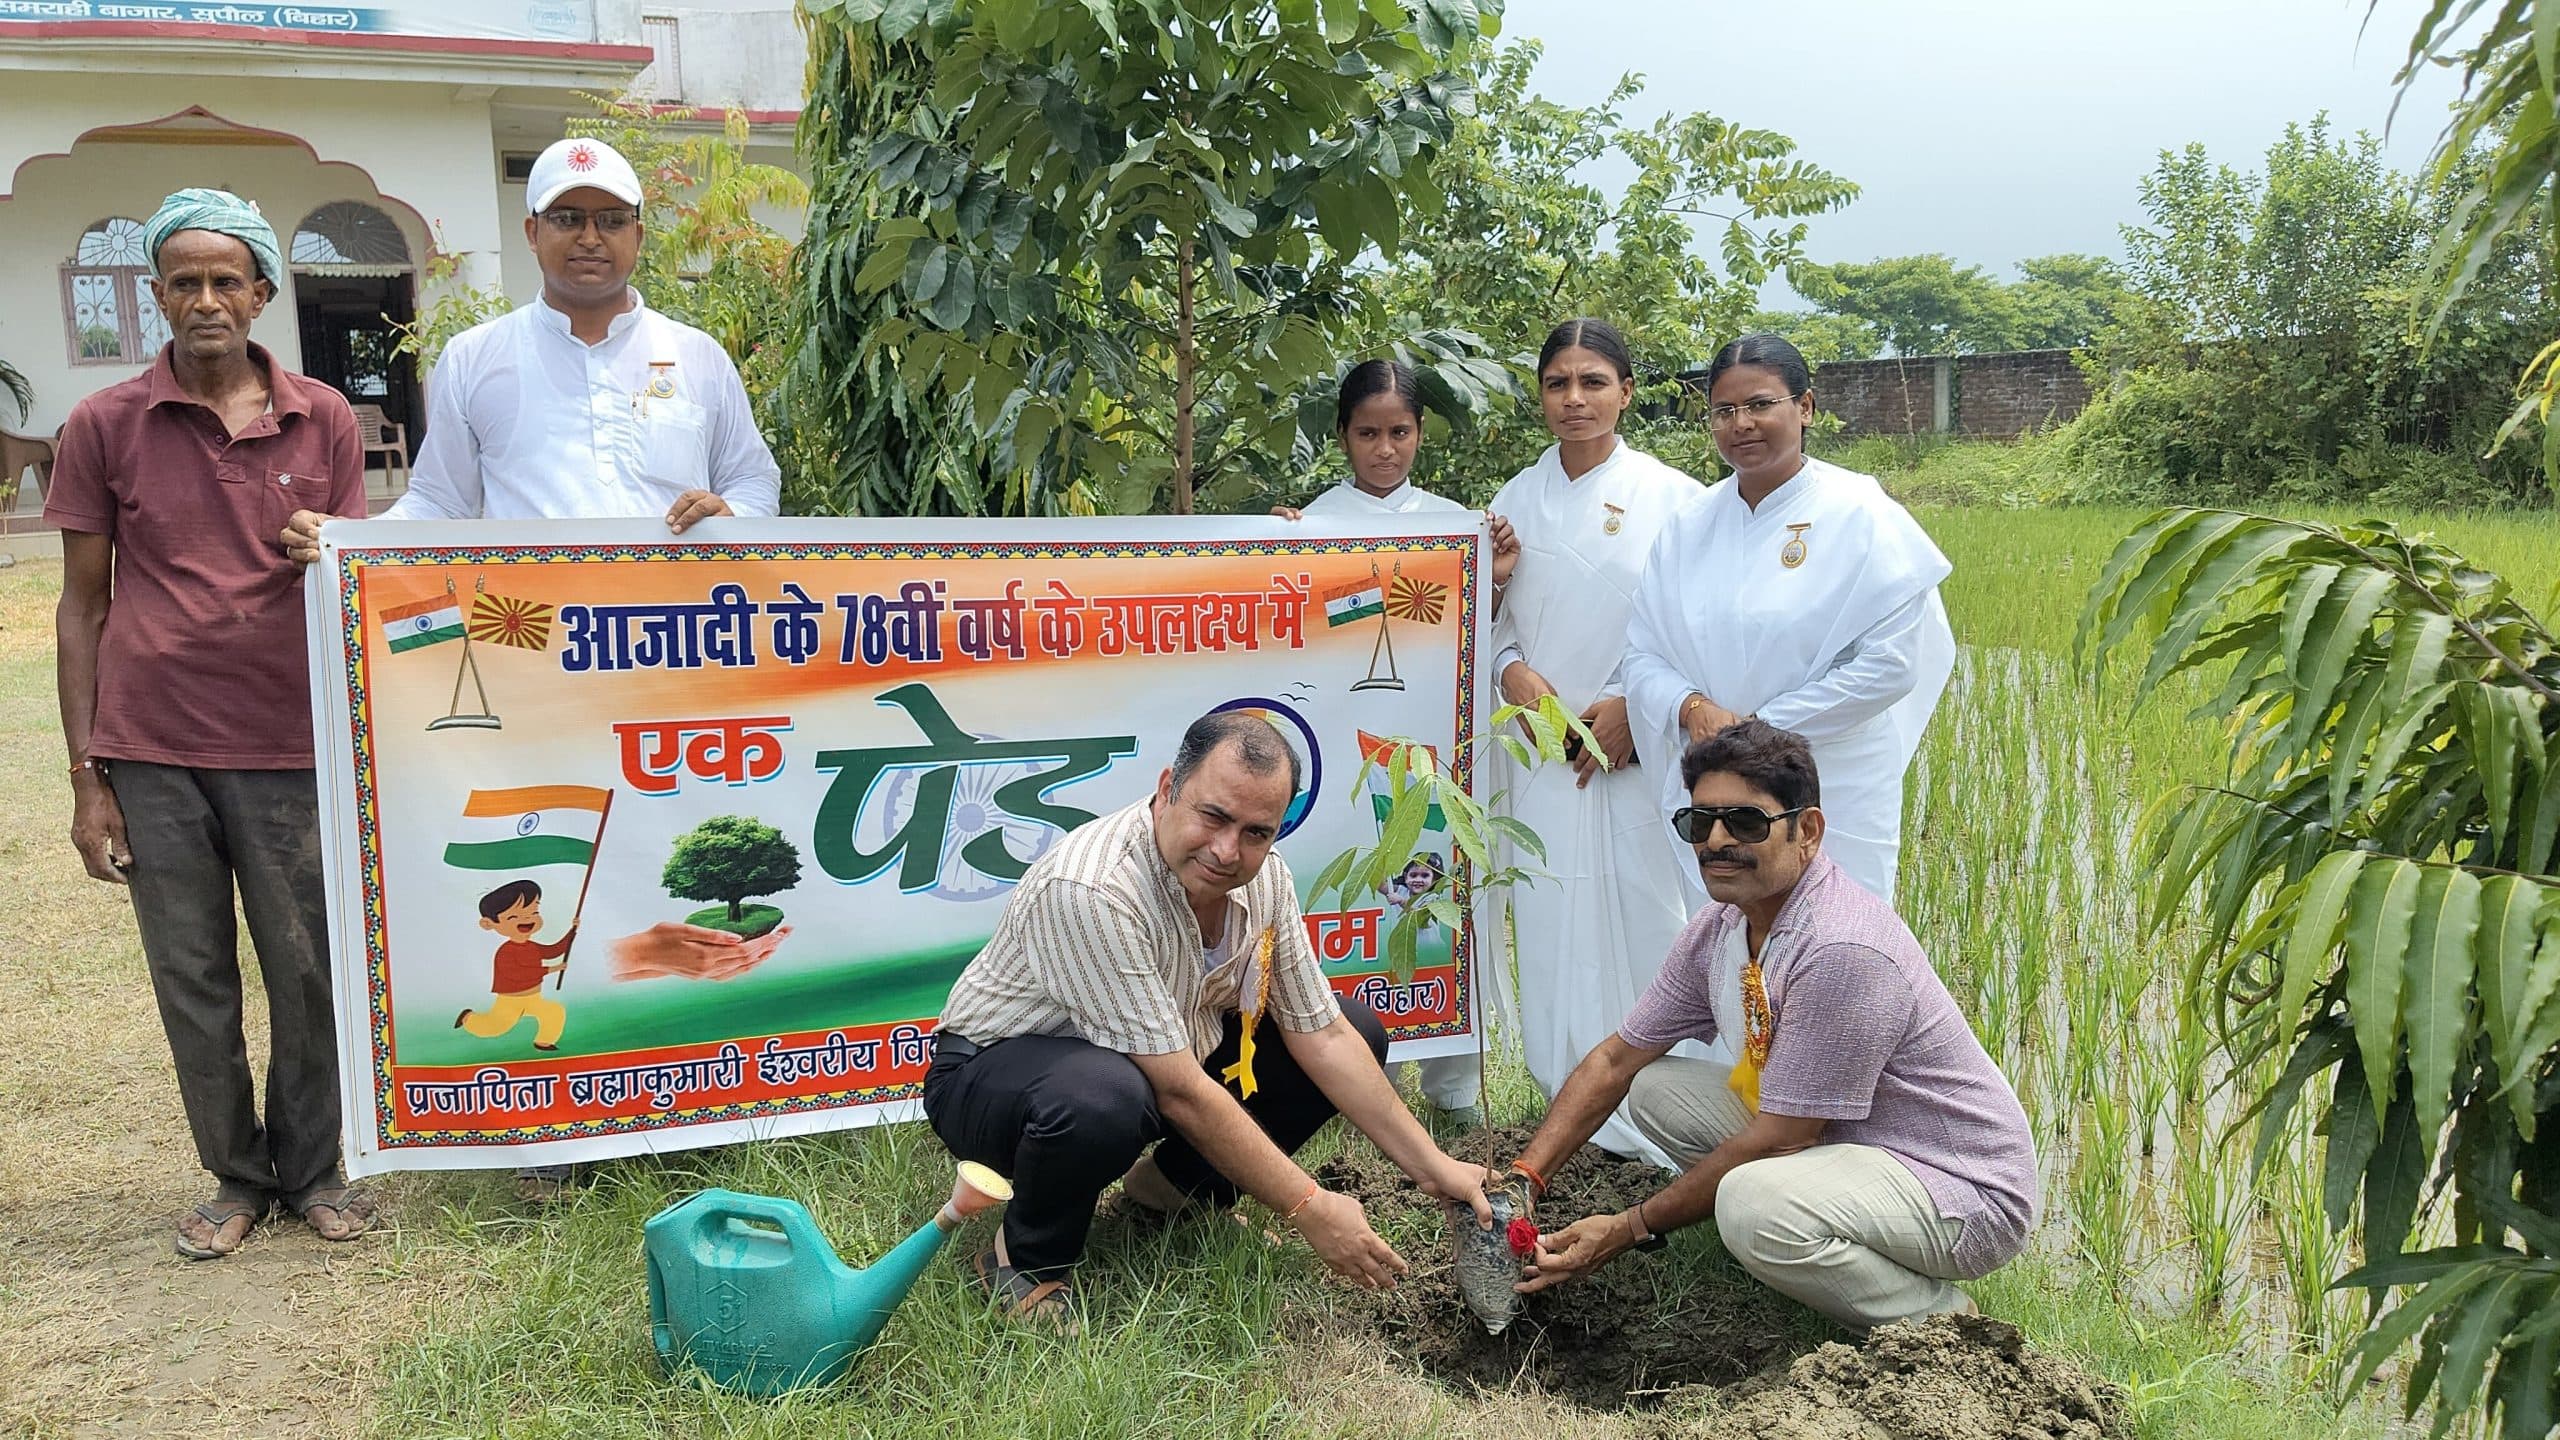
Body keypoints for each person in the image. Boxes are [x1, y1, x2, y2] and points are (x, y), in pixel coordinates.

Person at [278, 135, 784, 1201]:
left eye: (609, 219)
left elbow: (753, 480)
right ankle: (556, 1123)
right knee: (557, 884)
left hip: (668, 668)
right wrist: (347, 545)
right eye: (569, 218)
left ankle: (684, 1096)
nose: (589, 238)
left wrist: (727, 510)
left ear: (641, 234)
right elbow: (437, 509)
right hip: (531, 676)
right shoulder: (480, 360)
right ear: (535, 233)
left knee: (662, 862)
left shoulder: (696, 358)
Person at [924, 711, 1495, 1328]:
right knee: (1105, 1096)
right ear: (1169, 788)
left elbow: (1322, 1035)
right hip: (994, 1078)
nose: (1228, 851)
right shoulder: (1093, 889)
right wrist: (1310, 1207)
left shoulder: (1266, 880)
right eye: (1213, 817)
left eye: (1256, 832)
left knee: (1357, 1030)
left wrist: (1434, 1168)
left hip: (1146, 1065)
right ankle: (1025, 1263)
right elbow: (1180, 1092)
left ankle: (1170, 1195)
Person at [50, 187, 377, 1259]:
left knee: (312, 970)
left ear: (261, 294)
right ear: (156, 295)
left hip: (293, 740)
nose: (204, 299)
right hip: (152, 747)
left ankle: (314, 1166)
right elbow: (82, 603)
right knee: (192, 973)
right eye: (182, 281)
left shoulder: (323, 415)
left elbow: (353, 573)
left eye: (224, 279)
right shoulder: (104, 425)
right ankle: (236, 1177)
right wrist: (88, 776)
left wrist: (322, 544)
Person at [1502, 721, 2038, 1333]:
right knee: (1652, 1089)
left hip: (1956, 1186)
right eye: (1700, 823)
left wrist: (1627, 1229)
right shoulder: (1722, 927)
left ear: (1807, 831)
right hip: (1845, 1141)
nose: (1716, 841)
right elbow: (1616, 1061)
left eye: (1746, 823)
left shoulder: (1842, 947)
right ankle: (1809, 1234)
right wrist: (1523, 1180)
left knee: (1750, 1207)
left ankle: (1943, 1321)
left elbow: (1779, 1137)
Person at [1272, 358, 1521, 1125]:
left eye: (1400, 432)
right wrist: (1268, 550)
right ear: (1343, 436)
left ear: (1420, 433)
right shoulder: (1312, 523)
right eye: (1368, 433)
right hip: (1349, 750)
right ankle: (1360, 1087)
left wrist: (1498, 576)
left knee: (1441, 893)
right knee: (1356, 900)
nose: (1385, 449)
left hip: (1434, 753)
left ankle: (1453, 1091)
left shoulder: (1453, 523)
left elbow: (1474, 630)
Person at [1623, 333, 1954, 904]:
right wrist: (1692, 708)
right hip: (1720, 792)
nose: (1742, 423)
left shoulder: (1860, 512)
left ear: (1805, 407)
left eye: (1760, 404)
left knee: (1835, 949)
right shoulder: (1688, 525)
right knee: (1733, 951)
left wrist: (1761, 730)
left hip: (1832, 781)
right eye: (1724, 411)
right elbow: (1642, 654)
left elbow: (1891, 664)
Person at [1486, 318, 1706, 1162]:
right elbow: (1484, 620)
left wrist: (1631, 707)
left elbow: (1692, 624)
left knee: (1651, 916)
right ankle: (1562, 1104)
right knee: (1547, 919)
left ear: (1627, 392)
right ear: (1539, 394)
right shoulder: (1513, 501)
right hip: (1541, 749)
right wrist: (1513, 674)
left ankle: (1662, 1118)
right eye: (1557, 383)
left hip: (1631, 750)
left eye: (1593, 382)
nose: (1574, 399)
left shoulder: (1677, 499)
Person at [456, 880, 575, 1050]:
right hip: (510, 1000)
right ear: (489, 924)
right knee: (496, 1027)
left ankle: (543, 1042)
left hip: (533, 997)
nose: (527, 919)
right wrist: (551, 969)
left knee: (554, 1011)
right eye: (513, 917)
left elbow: (553, 951)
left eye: (534, 912)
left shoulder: (532, 946)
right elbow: (519, 974)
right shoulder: (506, 952)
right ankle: (468, 1018)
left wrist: (572, 933)